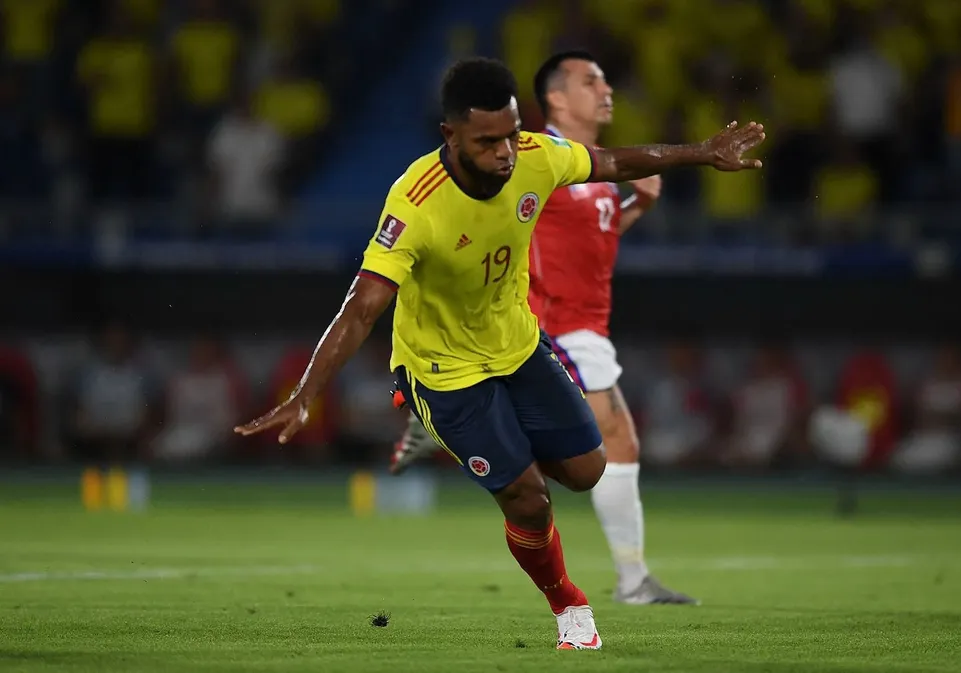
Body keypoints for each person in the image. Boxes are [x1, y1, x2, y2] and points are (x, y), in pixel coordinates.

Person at [235, 57, 765, 650]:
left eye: (510, 135)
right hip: (444, 372)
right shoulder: (415, 201)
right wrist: (307, 393)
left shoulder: (536, 156)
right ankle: (569, 603)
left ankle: (496, 444)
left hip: (517, 345)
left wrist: (703, 152)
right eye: (488, 142)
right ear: (451, 136)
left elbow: (614, 163)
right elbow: (362, 306)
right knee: (528, 498)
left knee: (587, 471)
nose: (505, 153)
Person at [390, 51, 698, 606]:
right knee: (617, 438)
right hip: (548, 325)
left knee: (594, 458)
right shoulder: (525, 157)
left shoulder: (586, 173)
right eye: (590, 80)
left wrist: (634, 210)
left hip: (583, 322)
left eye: (606, 78)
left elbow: (585, 250)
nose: (607, 89)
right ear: (555, 97)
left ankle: (447, 425)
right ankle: (632, 579)